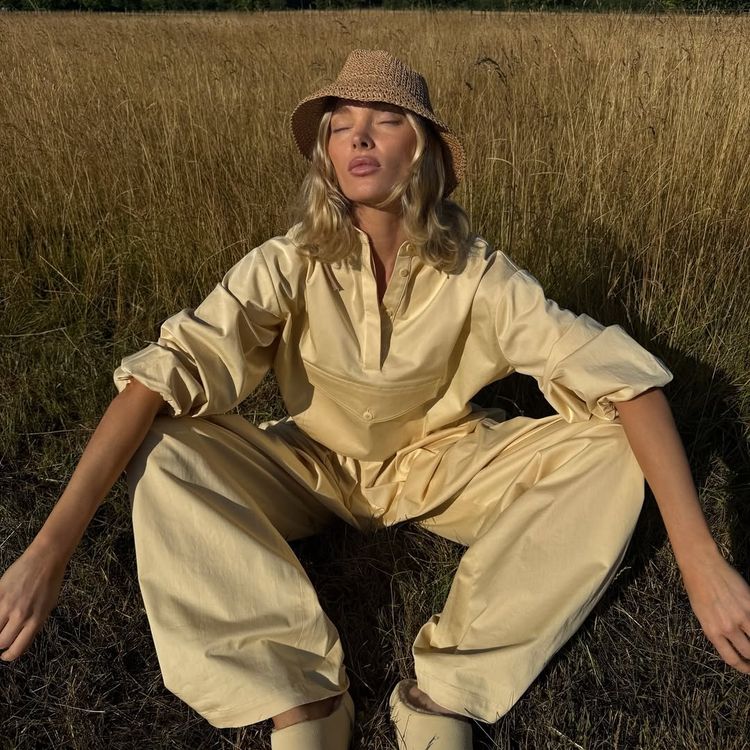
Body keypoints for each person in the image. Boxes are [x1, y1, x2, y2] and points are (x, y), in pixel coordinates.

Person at [1, 48, 748, 750]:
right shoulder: (286, 262)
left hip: (442, 463)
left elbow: (623, 378)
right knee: (167, 445)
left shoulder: (477, 272)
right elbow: (163, 373)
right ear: (328, 155)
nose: (360, 138)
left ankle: (444, 695)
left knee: (614, 446)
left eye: (385, 121)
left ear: (421, 149)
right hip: (312, 465)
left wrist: (700, 560)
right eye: (342, 126)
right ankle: (300, 697)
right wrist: (48, 551)